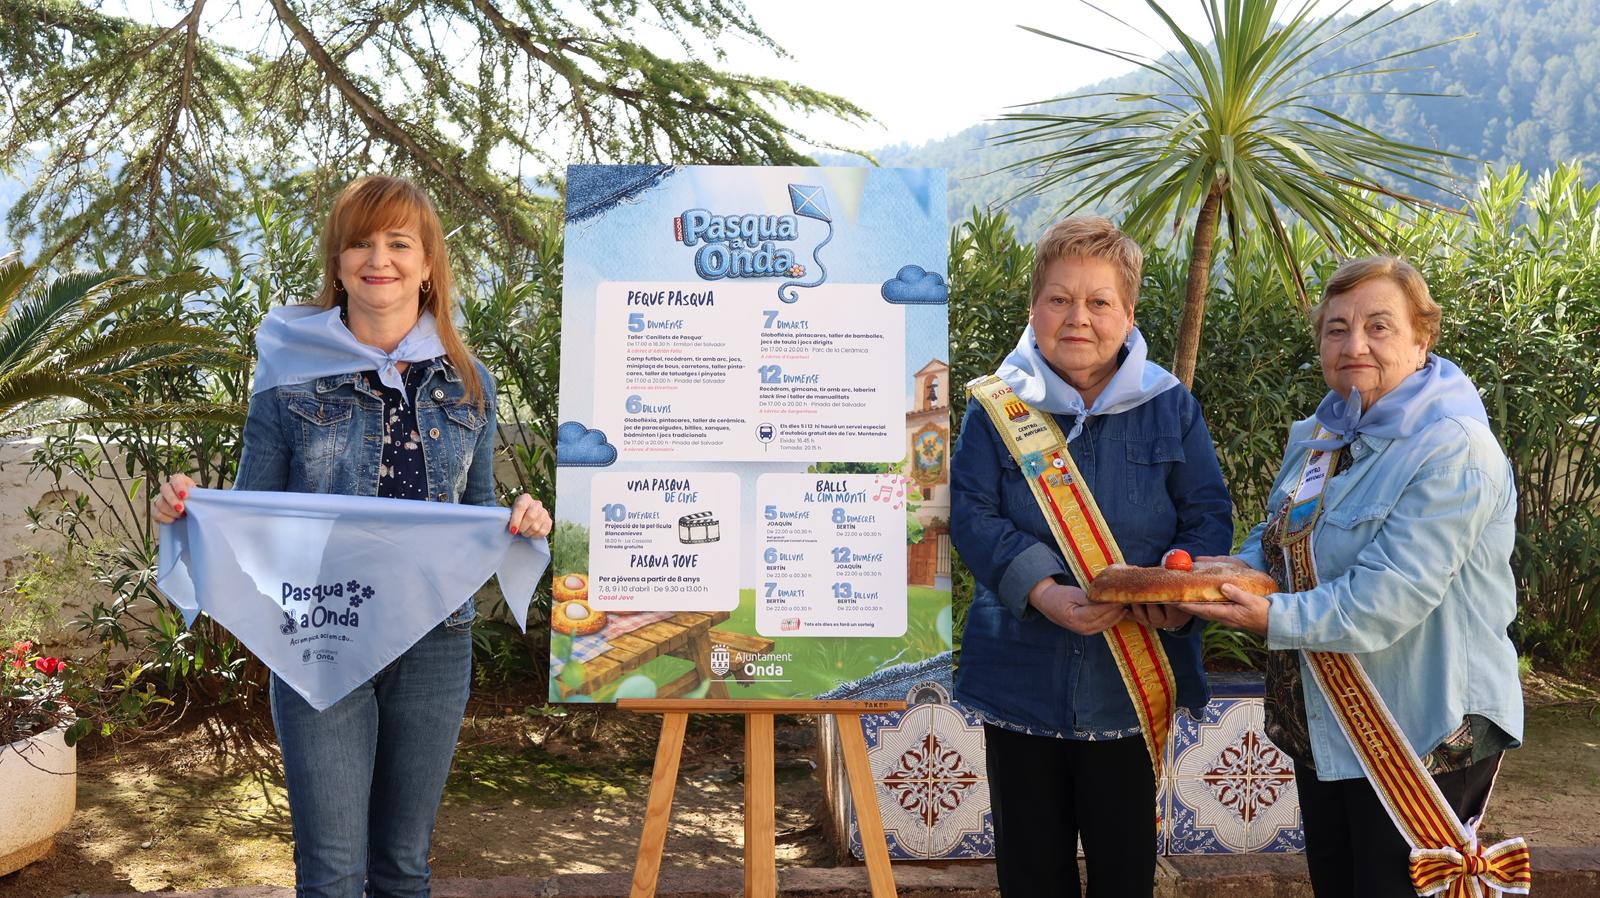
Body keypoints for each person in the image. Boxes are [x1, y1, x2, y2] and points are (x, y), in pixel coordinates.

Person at [153, 175, 551, 898]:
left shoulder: (470, 383)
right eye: (360, 244)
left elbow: (482, 511)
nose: (380, 259)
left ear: (428, 265)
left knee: (404, 868)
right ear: (337, 266)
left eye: (400, 243)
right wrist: (190, 507)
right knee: (333, 873)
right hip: (321, 634)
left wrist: (523, 520)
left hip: (435, 640)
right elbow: (253, 508)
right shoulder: (288, 375)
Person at [1178, 256, 1524, 898]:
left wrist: (1270, 616)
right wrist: (1237, 568)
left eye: (1379, 326)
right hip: (1331, 723)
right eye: (1336, 328)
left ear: (1423, 339)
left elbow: (1393, 594)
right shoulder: (1324, 434)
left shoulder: (1453, 447)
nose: (1354, 344)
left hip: (1424, 727)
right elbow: (1282, 535)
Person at [951, 216, 1233, 897]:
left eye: (1099, 301)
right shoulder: (995, 409)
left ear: (1128, 314)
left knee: (1123, 876)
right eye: (1059, 299)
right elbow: (970, 514)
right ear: (1034, 309)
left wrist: (1174, 601)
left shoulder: (1171, 407)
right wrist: (1041, 589)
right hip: (1021, 682)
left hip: (1127, 692)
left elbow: (1208, 514)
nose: (1078, 317)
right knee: (1032, 875)